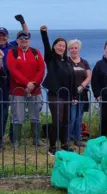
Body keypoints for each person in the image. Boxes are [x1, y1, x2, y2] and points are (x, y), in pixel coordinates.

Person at [40, 25, 75, 155]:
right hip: (55, 94)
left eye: (63, 46)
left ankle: (65, 144)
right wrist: (44, 33)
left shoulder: (67, 61)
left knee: (66, 121)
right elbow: (45, 45)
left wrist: (74, 96)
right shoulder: (50, 58)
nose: (61, 47)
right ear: (54, 46)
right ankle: (52, 147)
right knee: (57, 121)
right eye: (59, 45)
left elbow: (72, 80)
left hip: (67, 95)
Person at [6, 31, 45, 148]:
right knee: (17, 115)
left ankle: (36, 139)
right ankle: (16, 141)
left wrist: (33, 83)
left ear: (29, 40)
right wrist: (26, 83)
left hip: (35, 89)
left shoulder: (36, 52)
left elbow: (41, 69)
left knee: (35, 114)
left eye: (26, 38)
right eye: (21, 38)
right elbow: (13, 70)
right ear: (17, 40)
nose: (24, 40)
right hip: (17, 90)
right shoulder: (11, 52)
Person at [0, 15, 29, 143]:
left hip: (12, 81)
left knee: (15, 110)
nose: (2, 37)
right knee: (2, 111)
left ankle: (13, 137)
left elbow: (25, 34)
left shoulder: (13, 46)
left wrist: (22, 22)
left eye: (4, 35)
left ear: (7, 37)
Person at [67, 39, 91, 147]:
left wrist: (82, 86)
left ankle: (77, 138)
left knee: (79, 117)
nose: (73, 50)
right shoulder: (66, 61)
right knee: (71, 117)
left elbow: (89, 76)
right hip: (70, 94)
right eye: (71, 48)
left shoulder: (84, 62)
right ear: (68, 49)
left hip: (82, 93)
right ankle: (67, 138)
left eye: (75, 48)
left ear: (79, 49)